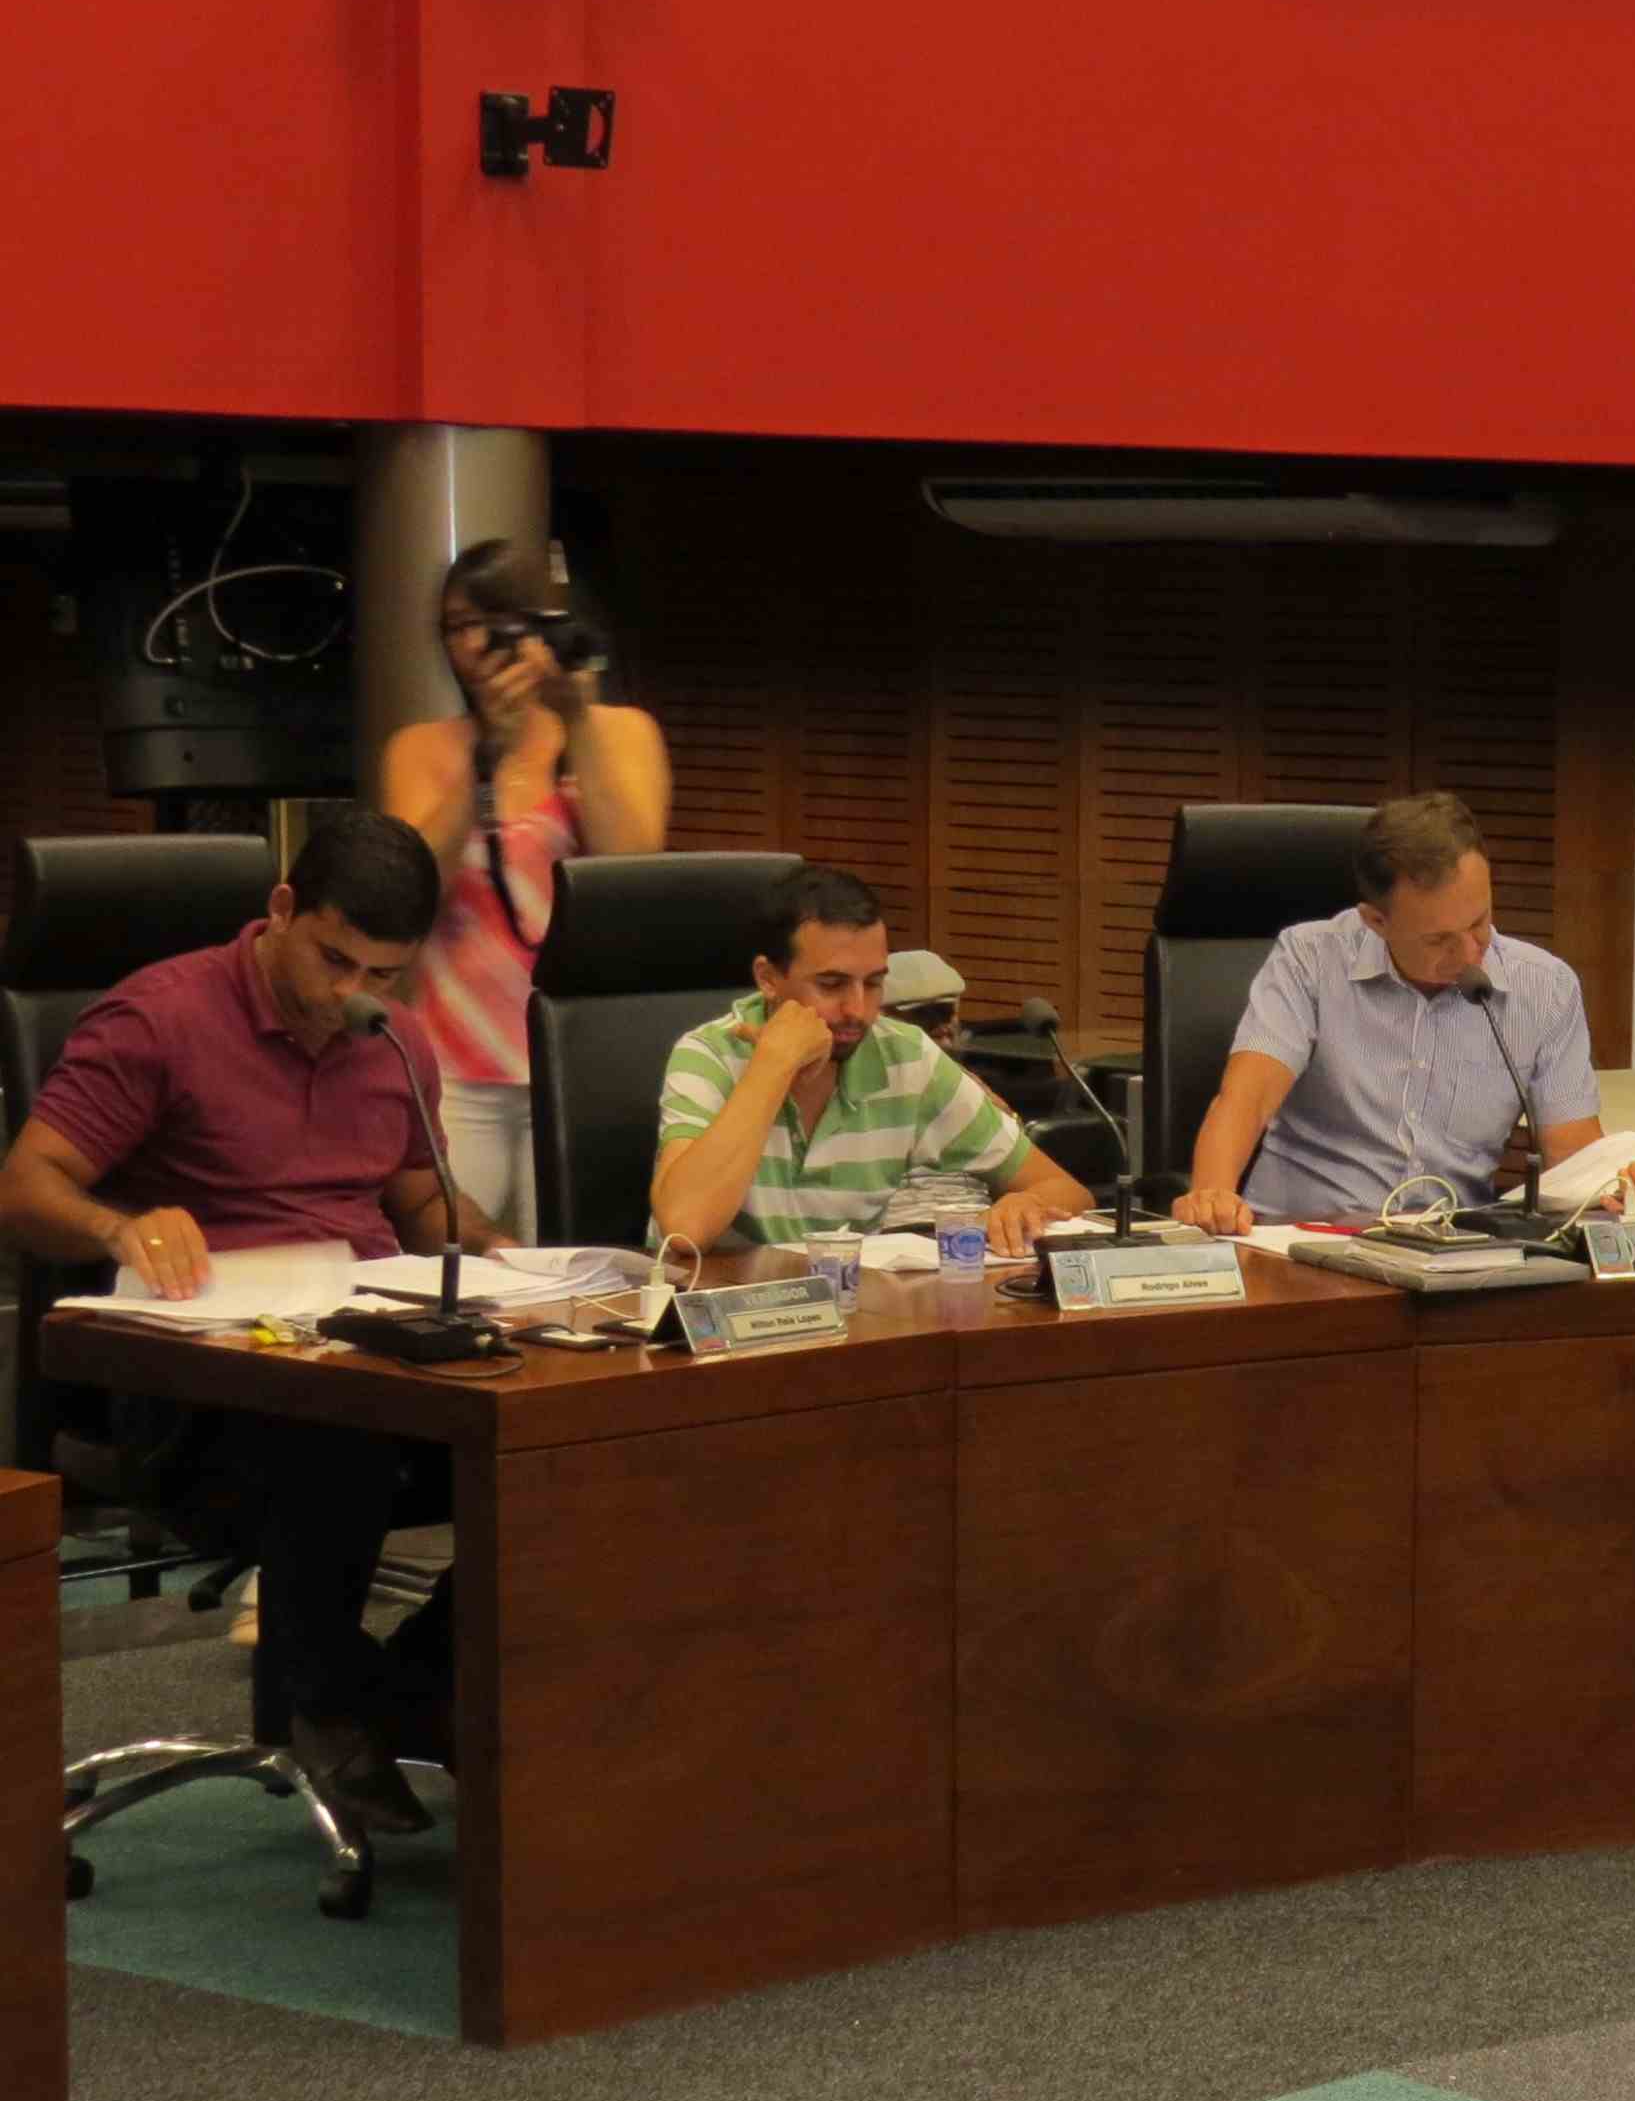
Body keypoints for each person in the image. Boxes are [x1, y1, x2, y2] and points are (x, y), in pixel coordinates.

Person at [0, 809, 490, 1832]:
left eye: (383, 974)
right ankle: (339, 1703)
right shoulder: (161, 1020)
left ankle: (392, 1690)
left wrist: (501, 1258)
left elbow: (419, 1199)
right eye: (335, 961)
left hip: (357, 1352)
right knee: (336, 1433)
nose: (354, 994)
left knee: (549, 1449)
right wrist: (120, 1226)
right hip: (196, 1391)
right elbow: (25, 1185)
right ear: (280, 910)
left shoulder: (391, 1040)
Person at [1170, 794, 1635, 1231]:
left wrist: (1625, 1188)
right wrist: (1212, 1195)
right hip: (1304, 1240)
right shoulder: (1310, 960)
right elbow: (1247, 1099)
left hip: (1452, 1250)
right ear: (1376, 921)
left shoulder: (1545, 989)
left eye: (1479, 922)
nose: (1470, 953)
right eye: (1439, 940)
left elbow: (1572, 1157)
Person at [377, 536, 671, 1236]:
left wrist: (576, 723)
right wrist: (484, 761)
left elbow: (630, 872)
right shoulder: (419, 748)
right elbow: (403, 893)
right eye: (457, 627)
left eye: (496, 624)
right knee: (450, 1263)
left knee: (575, 1268)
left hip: (579, 1064)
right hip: (454, 1067)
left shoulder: (621, 733)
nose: (475, 646)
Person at [649, 867, 1090, 1251]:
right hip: (717, 1310)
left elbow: (1067, 1191)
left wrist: (1026, 1203)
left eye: (874, 983)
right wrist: (772, 1066)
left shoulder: (905, 1057)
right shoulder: (708, 1055)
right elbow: (685, 1229)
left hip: (844, 1306)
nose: (858, 1011)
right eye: (831, 985)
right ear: (767, 978)